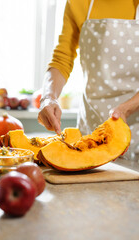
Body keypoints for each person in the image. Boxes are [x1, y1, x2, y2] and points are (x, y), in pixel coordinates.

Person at [38, 0, 139, 155]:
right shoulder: (78, 3)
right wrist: (48, 97)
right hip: (91, 127)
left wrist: (126, 109)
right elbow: (62, 58)